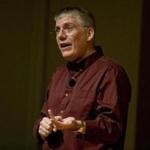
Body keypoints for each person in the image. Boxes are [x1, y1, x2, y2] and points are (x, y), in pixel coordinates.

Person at [33, 6, 131, 150]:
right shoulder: (58, 74)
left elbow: (114, 128)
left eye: (68, 28)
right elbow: (42, 117)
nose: (60, 35)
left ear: (89, 33)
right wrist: (41, 128)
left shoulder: (110, 72)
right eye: (57, 30)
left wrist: (80, 126)